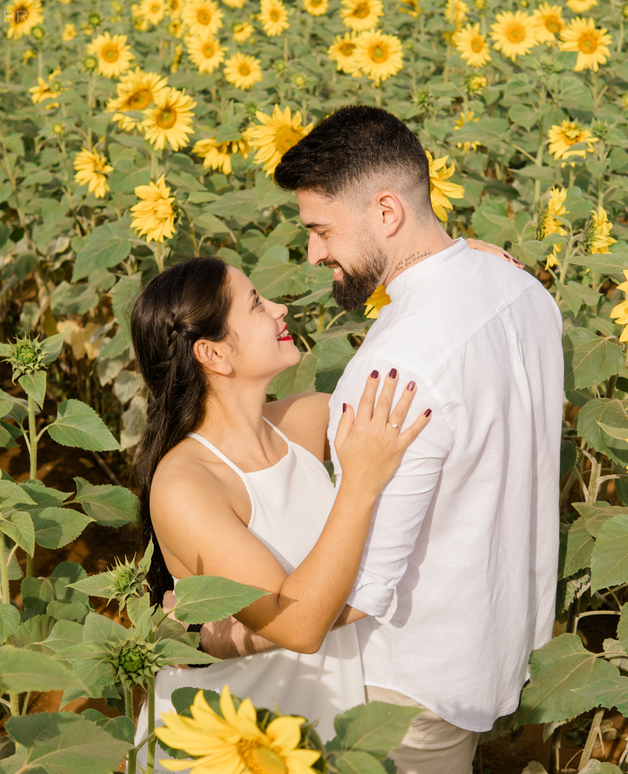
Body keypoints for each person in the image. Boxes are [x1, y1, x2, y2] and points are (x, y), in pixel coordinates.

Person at [211, 105, 564, 774]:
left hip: (405, 689)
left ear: (387, 212)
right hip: (499, 643)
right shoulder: (520, 288)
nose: (314, 253)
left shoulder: (393, 373)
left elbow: (354, 594)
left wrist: (230, 629)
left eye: (320, 229)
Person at [127, 254, 433, 771]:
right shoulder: (188, 483)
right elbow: (299, 625)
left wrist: (458, 271)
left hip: (313, 723)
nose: (280, 308)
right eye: (255, 304)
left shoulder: (304, 420)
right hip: (225, 742)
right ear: (214, 353)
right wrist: (359, 482)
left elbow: (427, 394)